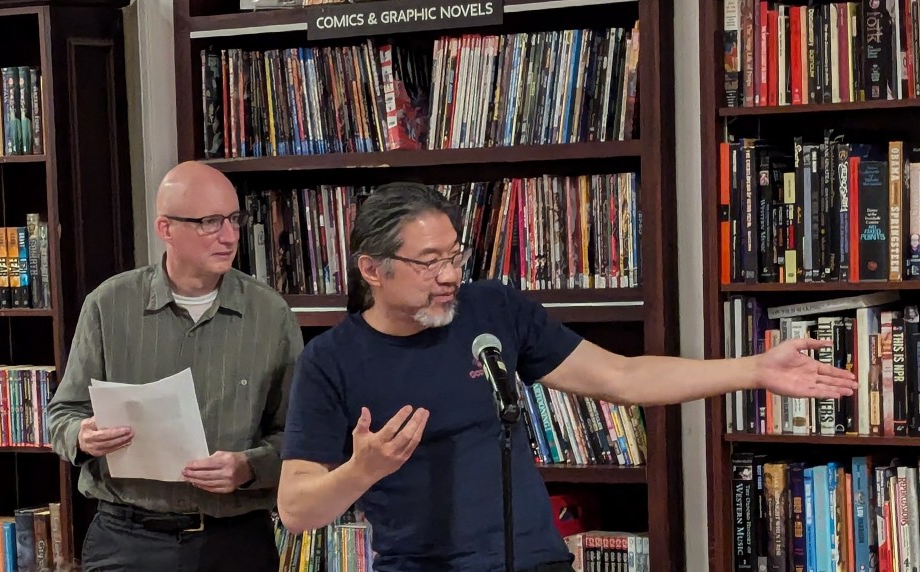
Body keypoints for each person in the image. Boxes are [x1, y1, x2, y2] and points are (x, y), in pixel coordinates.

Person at [275, 182, 856, 572]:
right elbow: (298, 508)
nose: (449, 275)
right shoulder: (331, 360)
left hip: (537, 559)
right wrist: (361, 471)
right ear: (372, 269)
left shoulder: (494, 311)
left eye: (455, 256)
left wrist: (752, 369)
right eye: (429, 262)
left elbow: (622, 377)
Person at [46, 161, 303, 571]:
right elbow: (62, 414)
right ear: (165, 229)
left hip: (234, 540)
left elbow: (297, 434)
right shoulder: (109, 305)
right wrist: (83, 435)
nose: (230, 235)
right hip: (127, 541)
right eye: (210, 222)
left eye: (234, 219)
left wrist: (249, 467)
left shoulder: (271, 315)